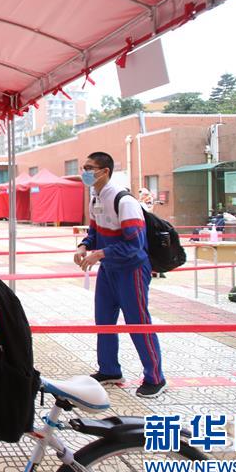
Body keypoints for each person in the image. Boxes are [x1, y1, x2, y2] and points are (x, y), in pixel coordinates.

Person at [74, 152, 166, 398]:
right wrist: (84, 246)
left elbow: (134, 244)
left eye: (90, 168)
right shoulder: (95, 197)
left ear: (105, 171)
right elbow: (94, 232)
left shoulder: (124, 201)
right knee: (104, 321)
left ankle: (155, 377)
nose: (85, 172)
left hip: (131, 270)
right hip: (109, 269)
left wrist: (101, 253)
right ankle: (109, 370)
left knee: (138, 323)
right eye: (84, 167)